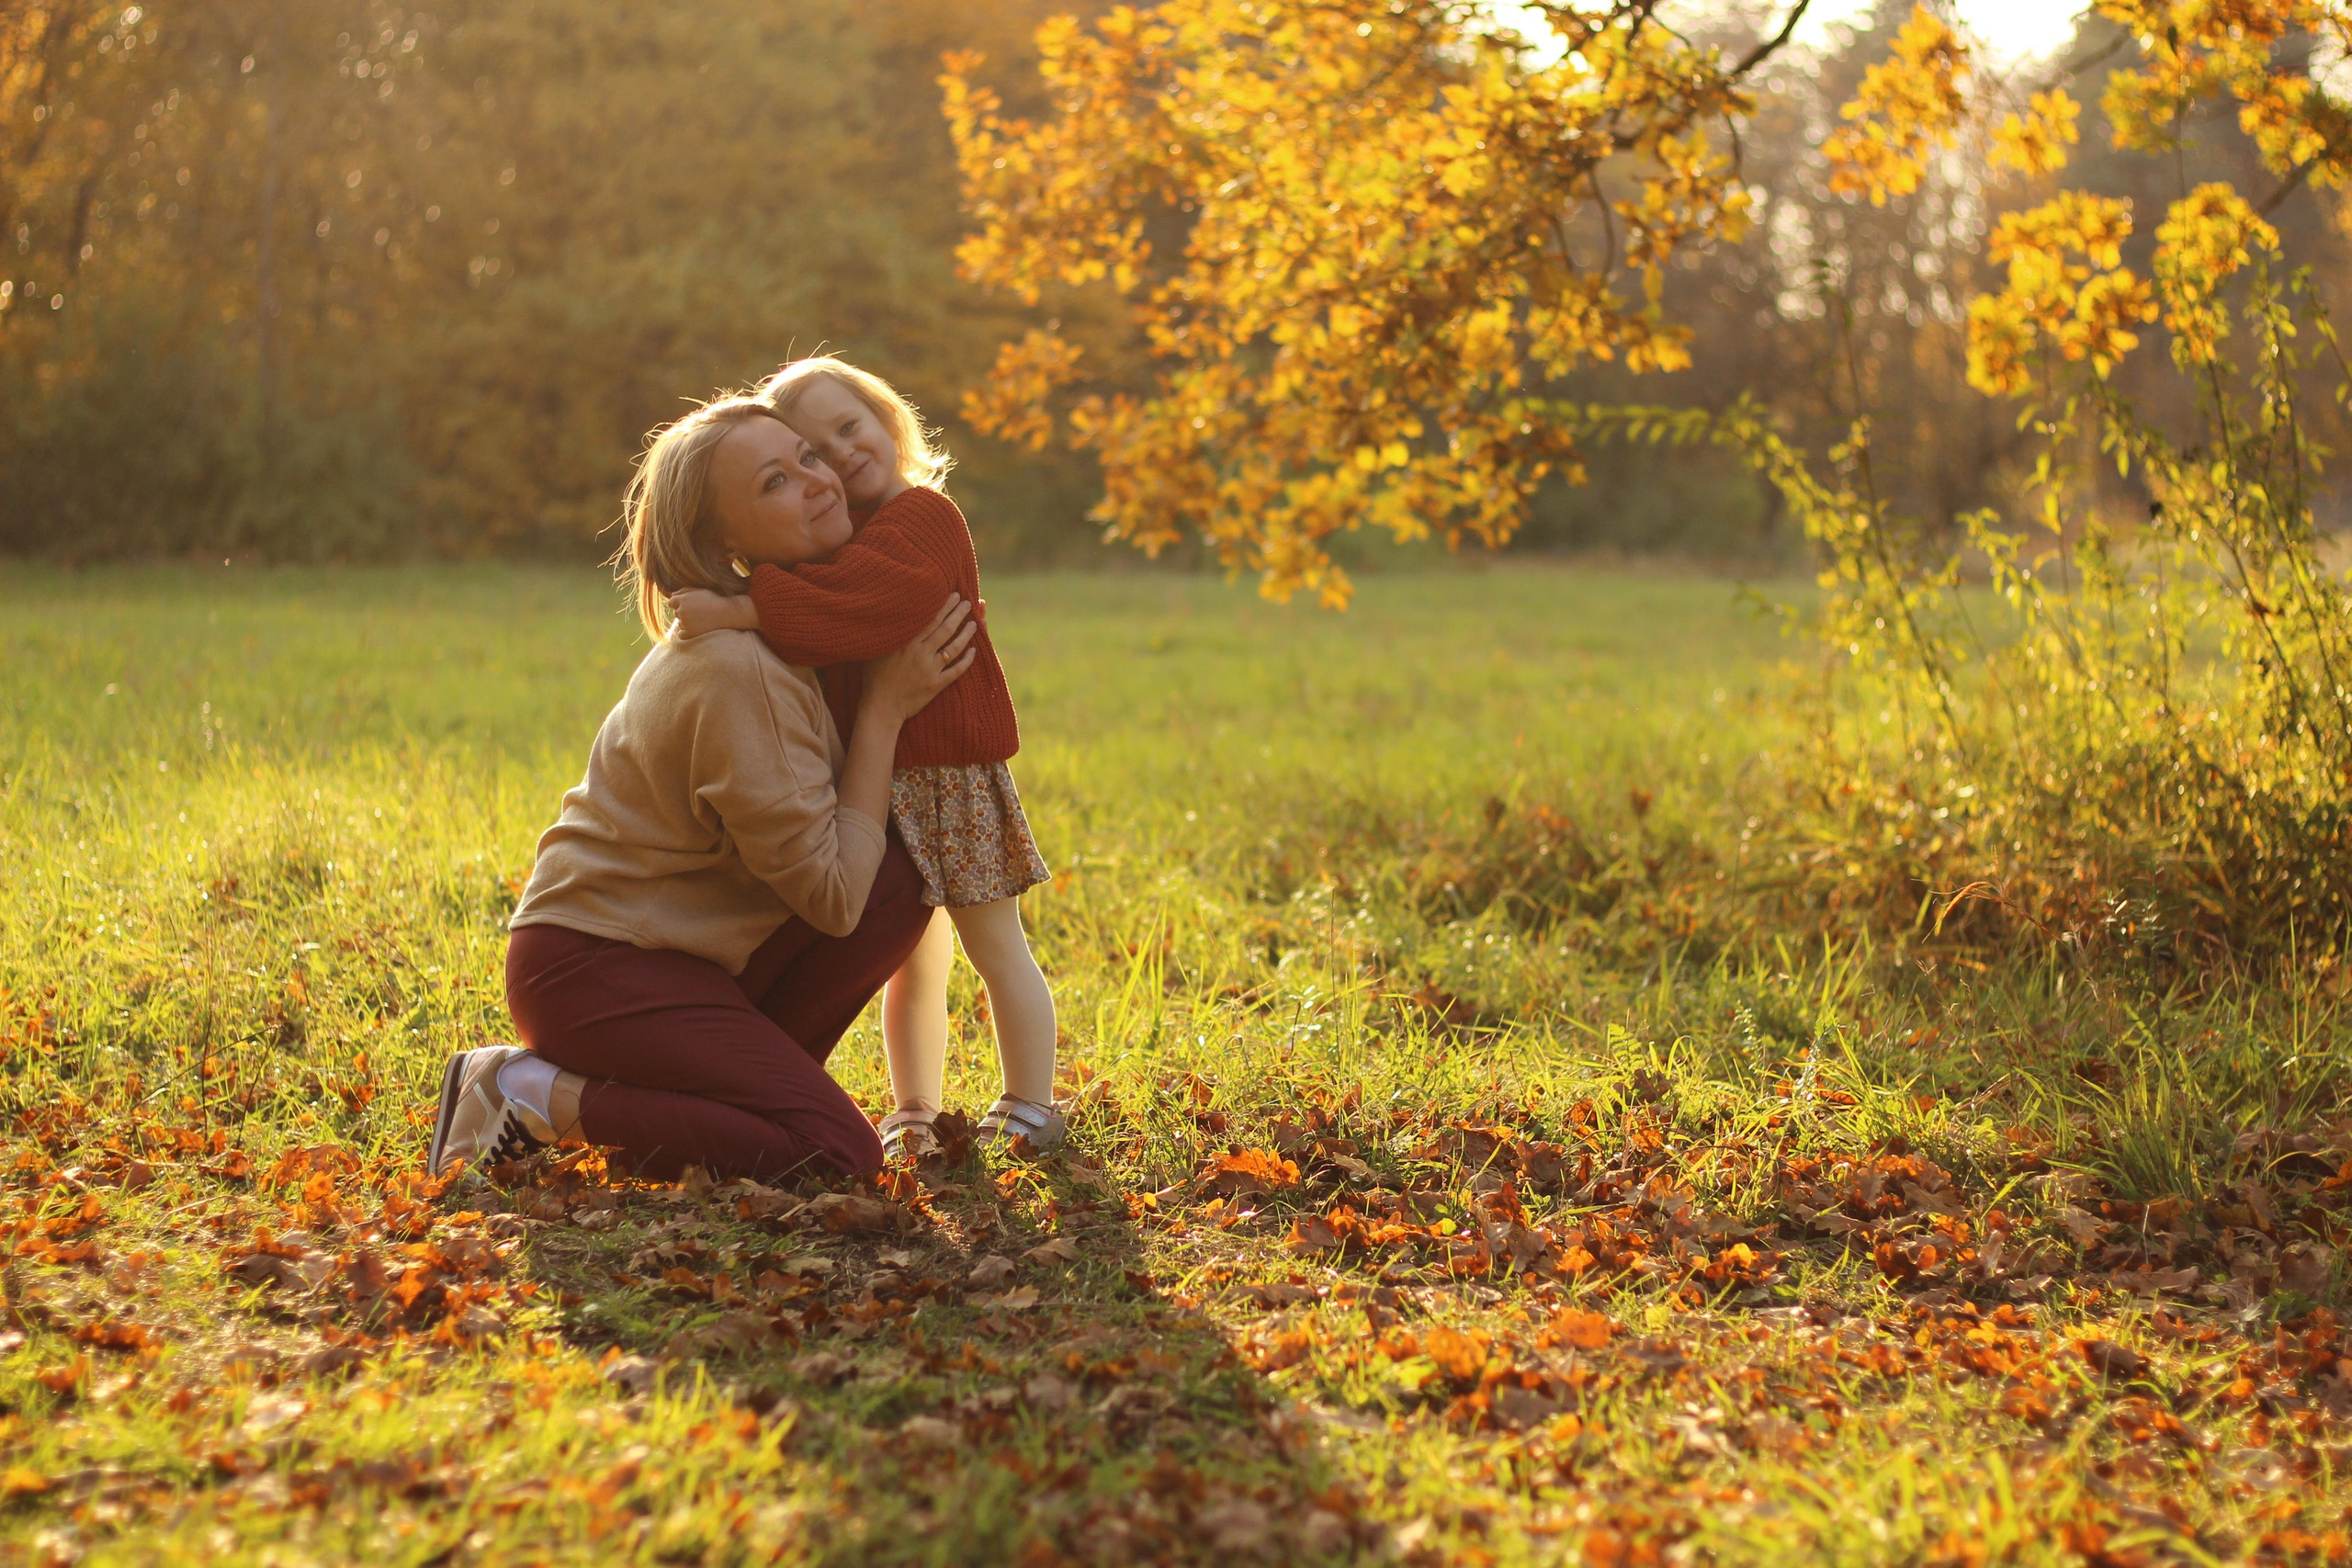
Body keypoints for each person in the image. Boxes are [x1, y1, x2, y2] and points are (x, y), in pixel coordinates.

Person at [428, 395, 977, 1180]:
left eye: (809, 457)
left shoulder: (790, 630)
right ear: (724, 542)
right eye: (775, 482)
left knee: (900, 878)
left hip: (693, 956)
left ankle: (727, 1104)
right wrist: (887, 709)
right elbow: (829, 897)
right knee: (835, 1154)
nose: (818, 481)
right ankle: (528, 1093)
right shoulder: (736, 670)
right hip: (595, 968)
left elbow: (856, 884)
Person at [667, 355, 1062, 1160]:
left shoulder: (924, 517)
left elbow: (874, 605)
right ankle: (914, 1107)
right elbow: (826, 613)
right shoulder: (832, 550)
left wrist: (740, 609)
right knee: (909, 961)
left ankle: (1031, 1102)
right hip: (878, 777)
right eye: (812, 450)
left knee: (995, 946)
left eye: (848, 427)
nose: (839, 456)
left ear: (886, 419)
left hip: (947, 777)